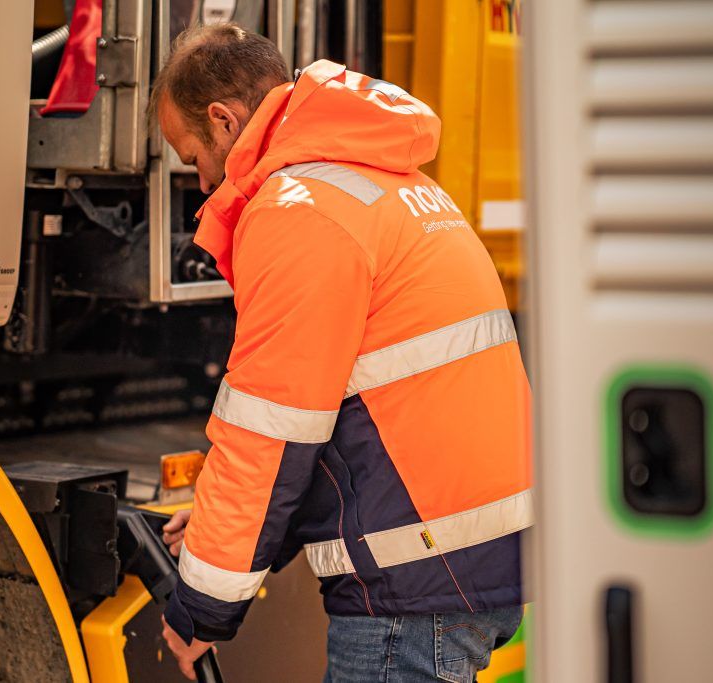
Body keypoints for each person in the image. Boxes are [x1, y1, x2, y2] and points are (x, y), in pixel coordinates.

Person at [151, 23, 532, 682]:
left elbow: (270, 432)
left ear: (221, 120)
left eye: (192, 157)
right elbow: (349, 419)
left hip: (413, 585)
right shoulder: (377, 179)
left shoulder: (296, 209)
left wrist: (199, 607)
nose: (205, 182)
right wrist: (219, 526)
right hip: (463, 560)